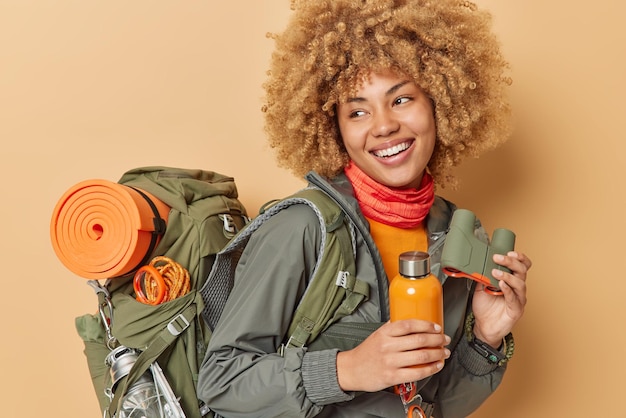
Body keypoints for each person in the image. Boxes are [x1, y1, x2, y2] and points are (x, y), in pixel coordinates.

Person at [197, 0, 532, 417]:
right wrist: (347, 369)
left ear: (439, 104)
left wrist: (486, 337)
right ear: (335, 130)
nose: (383, 125)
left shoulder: (450, 234)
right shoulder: (301, 227)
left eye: (402, 99)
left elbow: (433, 405)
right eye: (357, 110)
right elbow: (221, 381)